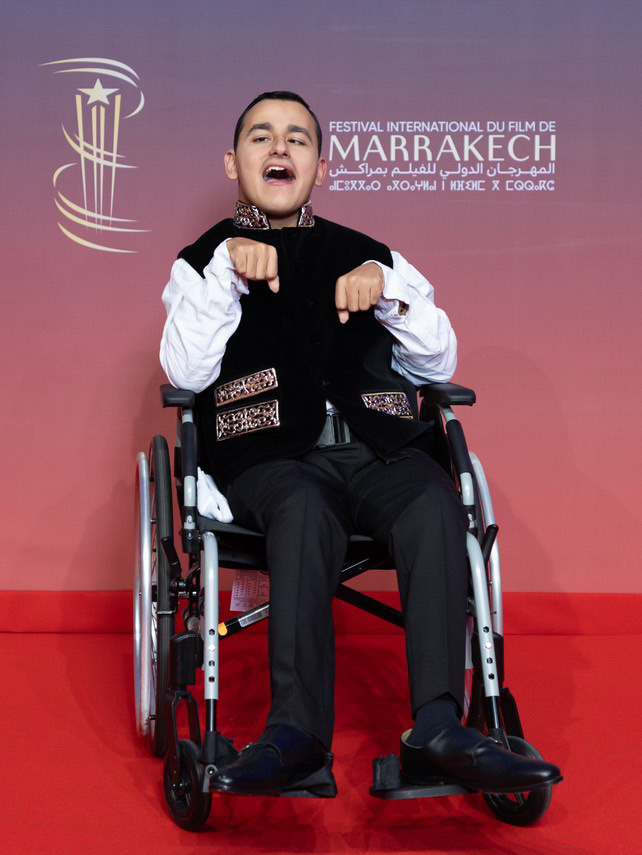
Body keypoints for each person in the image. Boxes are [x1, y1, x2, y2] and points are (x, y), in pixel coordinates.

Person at [160, 91, 561, 798]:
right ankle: (297, 737)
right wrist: (227, 271)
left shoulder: (372, 256)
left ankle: (438, 728)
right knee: (304, 507)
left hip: (377, 446)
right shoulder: (202, 261)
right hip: (271, 457)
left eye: (297, 139)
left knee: (435, 500)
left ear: (320, 167)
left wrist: (392, 294)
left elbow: (439, 364)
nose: (279, 148)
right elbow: (185, 375)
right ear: (233, 162)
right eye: (261, 136)